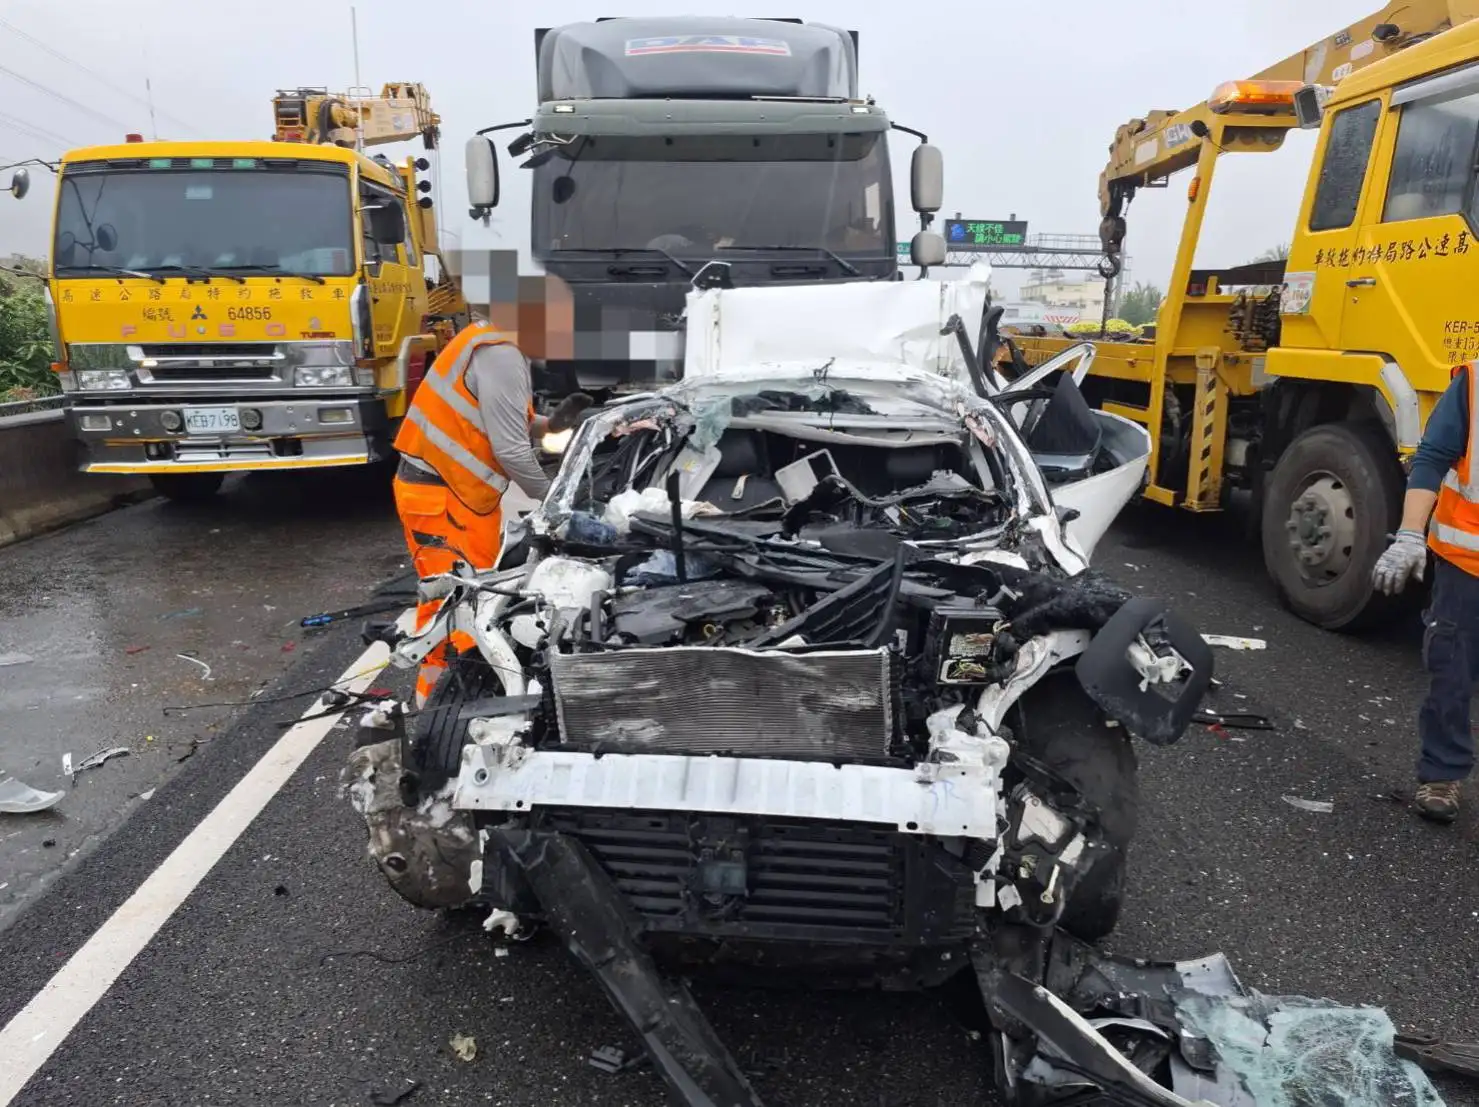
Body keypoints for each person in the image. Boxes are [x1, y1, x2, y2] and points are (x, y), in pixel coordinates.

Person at [392, 314, 590, 706]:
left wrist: (551, 425)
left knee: (480, 598)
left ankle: (467, 698)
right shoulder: (500, 354)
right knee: (454, 608)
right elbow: (512, 451)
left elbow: (501, 418)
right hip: (441, 498)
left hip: (461, 497)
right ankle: (438, 713)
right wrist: (558, 502)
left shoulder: (491, 340)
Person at [1371, 360, 1479, 822]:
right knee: (1452, 668)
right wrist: (1411, 534)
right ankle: (1443, 773)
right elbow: (1434, 456)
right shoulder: (1474, 385)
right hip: (1467, 562)